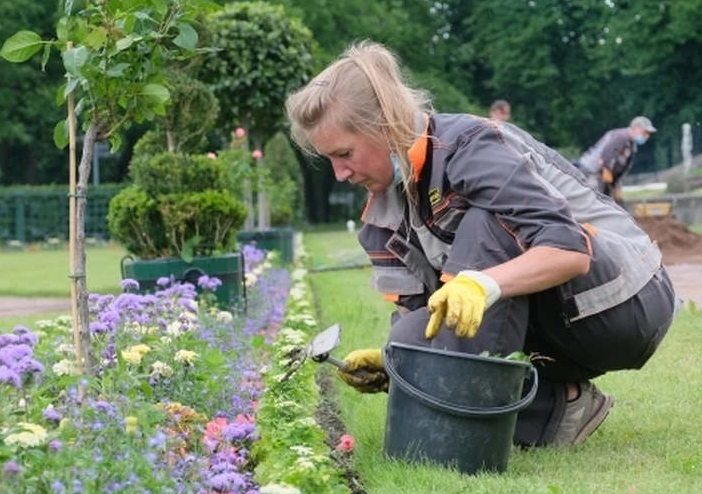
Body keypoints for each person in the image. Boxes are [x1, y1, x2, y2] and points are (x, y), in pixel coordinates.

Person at [285, 42, 678, 447]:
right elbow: (427, 322)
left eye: (344, 153)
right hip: (565, 320)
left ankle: (465, 438)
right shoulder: (383, 219)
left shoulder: (468, 146)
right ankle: (563, 407)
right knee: (406, 344)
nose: (339, 173)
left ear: (384, 124)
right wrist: (394, 362)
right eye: (328, 159)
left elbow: (569, 250)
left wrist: (483, 284)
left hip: (630, 300)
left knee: (485, 223)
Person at [575, 117, 657, 204]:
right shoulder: (621, 136)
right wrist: (608, 177)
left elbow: (619, 168)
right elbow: (606, 156)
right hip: (590, 172)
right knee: (593, 201)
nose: (647, 136)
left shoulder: (631, 144)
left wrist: (615, 185)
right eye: (645, 132)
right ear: (635, 128)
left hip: (600, 174)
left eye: (648, 134)